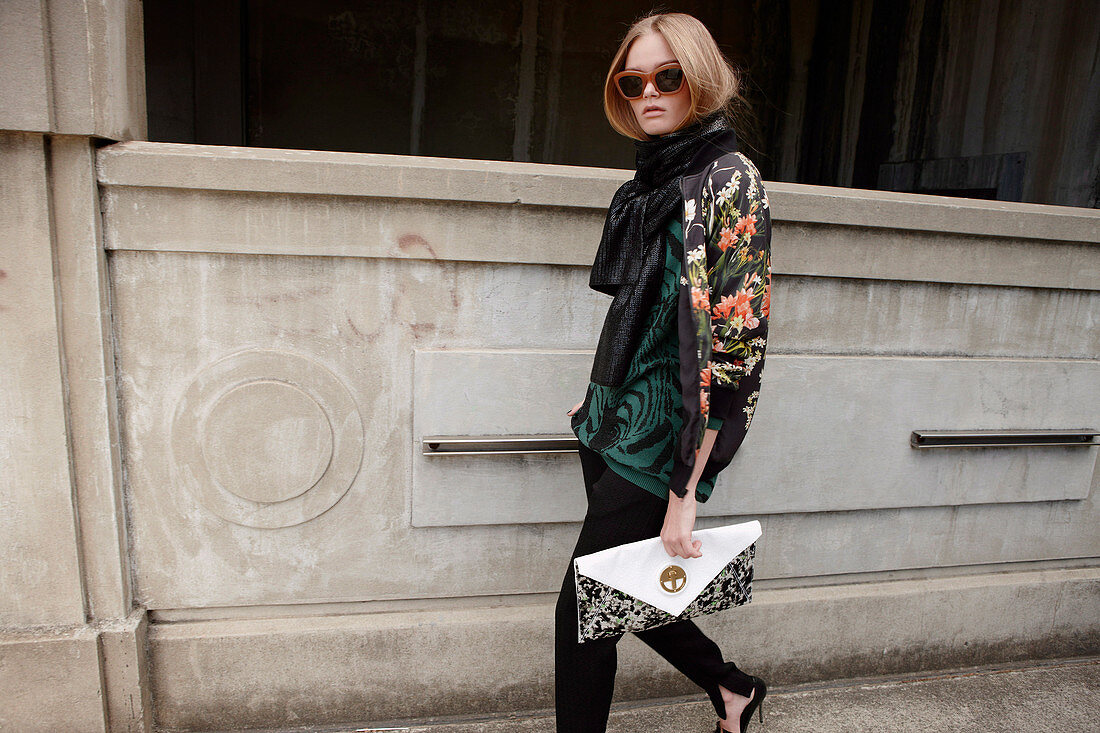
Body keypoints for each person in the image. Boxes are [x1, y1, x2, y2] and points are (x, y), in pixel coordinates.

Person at [556, 11, 772, 733]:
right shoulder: (650, 182)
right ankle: (732, 687)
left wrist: (688, 487)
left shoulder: (727, 180)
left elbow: (735, 351)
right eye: (634, 79)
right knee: (623, 587)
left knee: (584, 608)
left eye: (667, 77)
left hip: (665, 437)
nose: (649, 92)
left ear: (698, 79)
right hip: (611, 418)